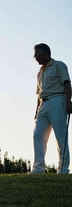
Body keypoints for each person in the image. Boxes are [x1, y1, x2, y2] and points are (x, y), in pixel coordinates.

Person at [32, 43, 72, 174]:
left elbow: (67, 84)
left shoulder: (58, 65)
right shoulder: (40, 73)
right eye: (35, 55)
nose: (36, 57)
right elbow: (39, 94)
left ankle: (63, 169)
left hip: (57, 100)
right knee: (37, 135)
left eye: (39, 53)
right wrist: (37, 110)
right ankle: (38, 168)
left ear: (47, 53)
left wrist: (68, 102)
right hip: (43, 104)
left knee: (60, 136)